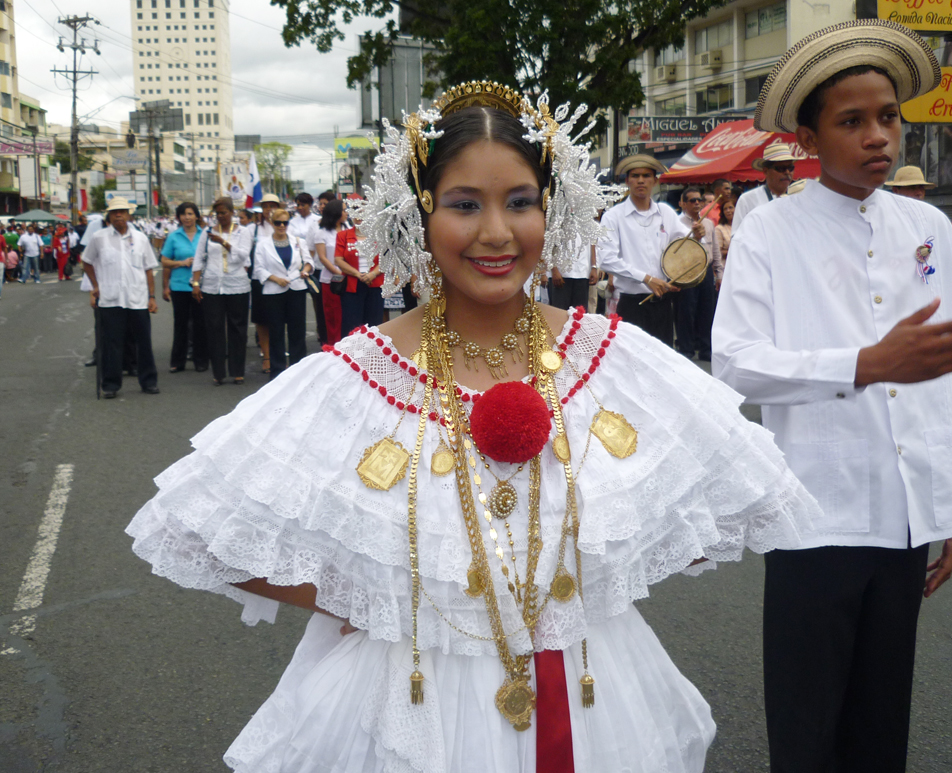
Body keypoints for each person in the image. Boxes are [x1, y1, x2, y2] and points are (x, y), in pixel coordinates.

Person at [126, 81, 820, 773]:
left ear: (552, 209)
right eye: (464, 204)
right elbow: (200, 530)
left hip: (589, 684)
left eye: (520, 202)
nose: (495, 232)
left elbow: (730, 496)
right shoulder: (355, 374)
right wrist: (375, 590)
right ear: (418, 215)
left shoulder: (611, 357)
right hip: (410, 686)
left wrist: (592, 575)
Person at [712, 20, 952, 773]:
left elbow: (943, 372)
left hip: (906, 518)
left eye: (888, 117)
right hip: (814, 515)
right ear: (809, 135)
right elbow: (737, 363)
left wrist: (948, 504)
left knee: (882, 726)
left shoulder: (930, 226)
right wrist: (866, 362)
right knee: (808, 727)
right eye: (852, 121)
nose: (879, 136)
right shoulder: (769, 232)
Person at [596, 154, 696, 346]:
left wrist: (697, 236)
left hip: (663, 302)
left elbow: (684, 244)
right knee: (632, 362)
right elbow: (606, 259)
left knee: (662, 360)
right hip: (632, 303)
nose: (640, 180)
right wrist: (646, 278)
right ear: (627, 181)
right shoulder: (613, 216)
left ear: (655, 181)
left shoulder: (665, 212)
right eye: (635, 176)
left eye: (646, 176)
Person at [81, 197, 160, 398]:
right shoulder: (99, 238)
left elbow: (149, 268)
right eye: (115, 212)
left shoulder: (141, 238)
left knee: (143, 342)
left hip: (137, 299)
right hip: (110, 299)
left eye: (122, 211)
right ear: (109, 215)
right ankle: (110, 384)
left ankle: (148, 381)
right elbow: (86, 261)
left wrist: (152, 296)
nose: (118, 215)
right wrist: (95, 286)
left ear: (129, 214)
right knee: (111, 344)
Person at [191, 198, 250, 386]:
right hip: (212, 286)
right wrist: (195, 283)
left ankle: (237, 371)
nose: (221, 216)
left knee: (237, 328)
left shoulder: (243, 232)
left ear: (232, 212)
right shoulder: (207, 233)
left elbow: (243, 255)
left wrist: (224, 242)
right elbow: (199, 258)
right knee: (214, 328)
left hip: (237, 284)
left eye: (224, 212)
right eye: (218, 213)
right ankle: (218, 372)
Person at [252, 207, 313, 380]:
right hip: (274, 291)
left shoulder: (298, 242)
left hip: (296, 289)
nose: (281, 226)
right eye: (278, 223)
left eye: (285, 223)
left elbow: (308, 262)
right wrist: (275, 279)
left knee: (297, 331)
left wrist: (305, 271)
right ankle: (277, 370)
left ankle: (298, 369)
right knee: (276, 331)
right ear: (271, 223)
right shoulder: (263, 244)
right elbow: (258, 270)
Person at [675, 186, 723, 362]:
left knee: (707, 310)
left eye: (699, 200)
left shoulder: (709, 223)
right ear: (684, 204)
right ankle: (686, 349)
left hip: (706, 270)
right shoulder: (678, 223)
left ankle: (706, 349)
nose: (696, 203)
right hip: (687, 271)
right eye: (692, 200)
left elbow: (715, 250)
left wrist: (719, 273)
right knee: (686, 311)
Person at [161, 201, 208, 373]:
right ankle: (177, 361)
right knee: (180, 324)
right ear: (179, 217)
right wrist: (181, 263)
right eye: (183, 214)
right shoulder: (174, 236)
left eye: (190, 214)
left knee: (200, 324)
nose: (187, 218)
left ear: (196, 216)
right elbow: (164, 261)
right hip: (179, 286)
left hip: (201, 286)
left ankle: (201, 360)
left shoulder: (205, 235)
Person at [242, 193, 280, 374]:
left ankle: (278, 354)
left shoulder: (286, 227)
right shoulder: (252, 230)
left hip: (282, 281)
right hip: (260, 280)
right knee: (262, 320)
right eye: (266, 206)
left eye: (273, 206)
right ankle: (266, 356)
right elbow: (245, 256)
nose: (269, 210)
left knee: (279, 320)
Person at [335, 212, 383, 336]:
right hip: (352, 285)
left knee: (374, 324)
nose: (359, 217)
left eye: (363, 213)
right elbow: (338, 260)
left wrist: (372, 274)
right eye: (356, 213)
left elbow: (386, 258)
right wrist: (357, 274)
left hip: (375, 283)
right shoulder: (343, 235)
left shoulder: (379, 235)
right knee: (351, 325)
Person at [289, 192, 327, 345]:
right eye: (297, 205)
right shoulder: (292, 222)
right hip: (296, 265)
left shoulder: (315, 220)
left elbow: (312, 246)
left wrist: (309, 261)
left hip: (315, 263)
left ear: (309, 205)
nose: (299, 208)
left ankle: (320, 328)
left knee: (317, 300)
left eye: (302, 205)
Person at [732, 144, 798, 231]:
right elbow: (737, 238)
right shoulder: (747, 200)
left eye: (790, 168)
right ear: (766, 171)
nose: (787, 172)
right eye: (781, 168)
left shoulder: (798, 198)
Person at [308, 197, 346, 346]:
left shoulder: (348, 229)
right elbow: (323, 258)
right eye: (343, 210)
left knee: (346, 317)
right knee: (333, 317)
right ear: (336, 213)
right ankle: (333, 347)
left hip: (349, 279)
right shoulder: (321, 233)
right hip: (331, 281)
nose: (346, 213)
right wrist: (338, 272)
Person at [548, 235, 598, 311]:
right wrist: (554, 269)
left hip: (583, 272)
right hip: (561, 274)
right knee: (560, 312)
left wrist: (594, 267)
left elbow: (593, 244)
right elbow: (550, 244)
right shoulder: (556, 222)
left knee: (579, 315)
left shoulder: (589, 223)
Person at [714, 200, 734, 267]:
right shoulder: (719, 228)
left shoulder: (743, 226)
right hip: (727, 265)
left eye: (730, 207)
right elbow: (717, 251)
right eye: (725, 209)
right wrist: (734, 252)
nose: (728, 211)